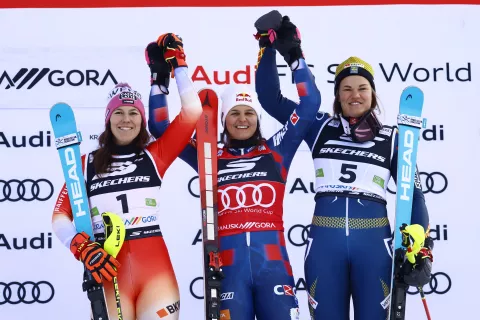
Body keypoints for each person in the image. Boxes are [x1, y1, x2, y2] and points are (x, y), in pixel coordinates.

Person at [254, 11, 434, 320]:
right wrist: (267, 47)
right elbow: (269, 97)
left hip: (374, 247)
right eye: (346, 88)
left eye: (362, 88)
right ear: (337, 94)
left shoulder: (395, 137)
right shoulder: (318, 126)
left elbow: (414, 196)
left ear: (373, 94)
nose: (355, 95)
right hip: (325, 246)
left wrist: (422, 250)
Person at [148, 23, 320, 320]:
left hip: (274, 271)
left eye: (249, 113)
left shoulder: (276, 150)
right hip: (228, 274)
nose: (242, 120)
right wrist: (162, 79)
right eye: (235, 114)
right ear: (223, 120)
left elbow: (309, 105)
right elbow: (161, 128)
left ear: (257, 118)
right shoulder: (207, 155)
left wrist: (295, 57)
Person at [51, 33, 202, 320]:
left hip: (155, 271)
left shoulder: (154, 155)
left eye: (134, 113)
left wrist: (179, 66)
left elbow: (192, 111)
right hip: (108, 270)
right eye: (118, 113)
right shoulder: (85, 164)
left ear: (142, 120)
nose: (126, 119)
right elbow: (59, 216)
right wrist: (81, 247)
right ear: (108, 120)